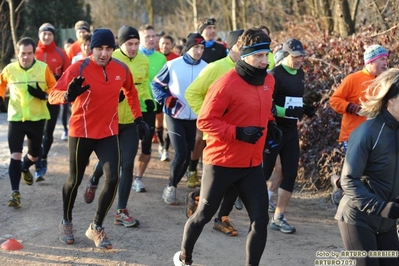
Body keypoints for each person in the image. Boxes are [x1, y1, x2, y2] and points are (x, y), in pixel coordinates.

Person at [173, 27, 278, 266]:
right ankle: (184, 257)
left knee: (260, 221)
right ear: (244, 54)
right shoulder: (225, 84)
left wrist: (271, 124)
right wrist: (238, 132)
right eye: (259, 56)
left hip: (251, 164)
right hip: (221, 163)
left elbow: (262, 110)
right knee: (203, 216)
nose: (265, 61)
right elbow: (205, 121)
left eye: (267, 55)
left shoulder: (269, 81)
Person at [48, 28, 149, 249]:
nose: (104, 53)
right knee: (74, 180)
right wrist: (67, 95)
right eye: (99, 48)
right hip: (81, 131)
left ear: (113, 49)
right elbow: (52, 94)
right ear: (91, 48)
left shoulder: (121, 68)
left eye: (108, 48)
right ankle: (66, 221)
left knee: (113, 177)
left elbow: (131, 91)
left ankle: (96, 226)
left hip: (107, 132)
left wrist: (138, 118)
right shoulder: (78, 67)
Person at [83, 25, 153, 228]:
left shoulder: (143, 60)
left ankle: (121, 211)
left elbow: (143, 85)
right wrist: (114, 95)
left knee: (127, 163)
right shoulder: (109, 59)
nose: (133, 48)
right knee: (111, 163)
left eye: (136, 44)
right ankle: (95, 178)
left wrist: (147, 100)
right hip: (110, 119)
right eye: (129, 44)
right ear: (120, 45)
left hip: (131, 120)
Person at [335, 68, 399, 266]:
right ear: (391, 99)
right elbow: (348, 180)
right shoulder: (368, 131)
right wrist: (381, 207)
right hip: (358, 219)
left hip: (387, 221)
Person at [184, 29, 244, 236]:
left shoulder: (253, 69)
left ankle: (222, 218)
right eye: (240, 46)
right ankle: (198, 199)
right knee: (220, 181)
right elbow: (192, 92)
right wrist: (210, 118)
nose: (244, 50)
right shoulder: (216, 68)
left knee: (238, 178)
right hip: (219, 135)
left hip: (243, 134)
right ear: (230, 47)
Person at [262, 38, 316, 234]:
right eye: (296, 56)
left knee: (290, 172)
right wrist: (290, 110)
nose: (299, 59)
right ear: (286, 55)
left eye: (301, 56)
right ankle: (252, 207)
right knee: (266, 171)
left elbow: (295, 100)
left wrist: (304, 109)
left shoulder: (300, 73)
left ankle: (278, 217)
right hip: (274, 129)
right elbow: (267, 104)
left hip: (291, 130)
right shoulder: (275, 74)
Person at [0, 37, 56, 208]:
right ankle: (15, 193)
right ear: (17, 53)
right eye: (22, 54)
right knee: (14, 155)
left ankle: (25, 167)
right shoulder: (10, 69)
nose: (26, 57)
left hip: (37, 119)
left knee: (34, 155)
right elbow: (1, 84)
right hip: (16, 119)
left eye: (29, 53)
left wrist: (44, 95)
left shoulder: (43, 69)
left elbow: (54, 89)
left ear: (34, 53)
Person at [329, 44, 388, 206]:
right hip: (353, 135)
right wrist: (352, 107)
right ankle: (348, 197)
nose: (386, 63)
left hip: (377, 136)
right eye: (382, 59)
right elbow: (334, 100)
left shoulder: (385, 81)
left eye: (386, 59)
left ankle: (344, 187)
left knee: (370, 171)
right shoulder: (353, 79)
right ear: (370, 61)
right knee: (356, 172)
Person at [152, 32, 207, 205]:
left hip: (194, 118)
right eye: (196, 47)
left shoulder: (207, 68)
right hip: (175, 115)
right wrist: (165, 98)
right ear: (188, 47)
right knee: (181, 153)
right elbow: (156, 85)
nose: (199, 51)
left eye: (202, 48)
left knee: (189, 155)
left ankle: (174, 182)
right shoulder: (173, 65)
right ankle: (170, 187)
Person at [184, 17, 228, 189]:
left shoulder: (220, 48)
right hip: (199, 96)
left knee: (211, 139)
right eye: (208, 28)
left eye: (214, 27)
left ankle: (209, 171)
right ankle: (192, 169)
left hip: (216, 98)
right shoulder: (194, 45)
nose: (212, 31)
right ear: (201, 30)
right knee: (198, 138)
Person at [34, 23, 71, 181]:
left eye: (49, 34)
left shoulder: (61, 54)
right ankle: (37, 162)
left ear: (53, 36)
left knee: (48, 132)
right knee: (36, 132)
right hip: (34, 98)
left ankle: (43, 158)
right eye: (43, 33)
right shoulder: (32, 52)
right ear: (39, 35)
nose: (46, 36)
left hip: (53, 98)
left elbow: (69, 76)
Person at [132, 24, 166, 192]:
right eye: (147, 37)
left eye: (154, 36)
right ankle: (125, 173)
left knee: (146, 145)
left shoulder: (161, 59)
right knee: (129, 144)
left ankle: (138, 178)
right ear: (140, 40)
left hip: (150, 107)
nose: (152, 39)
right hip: (130, 108)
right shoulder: (132, 56)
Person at [156, 34, 180, 162]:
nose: (165, 46)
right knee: (158, 122)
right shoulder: (154, 56)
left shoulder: (176, 58)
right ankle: (160, 143)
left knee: (167, 123)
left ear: (172, 45)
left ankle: (165, 149)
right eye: (162, 43)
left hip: (170, 95)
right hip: (156, 93)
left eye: (167, 43)